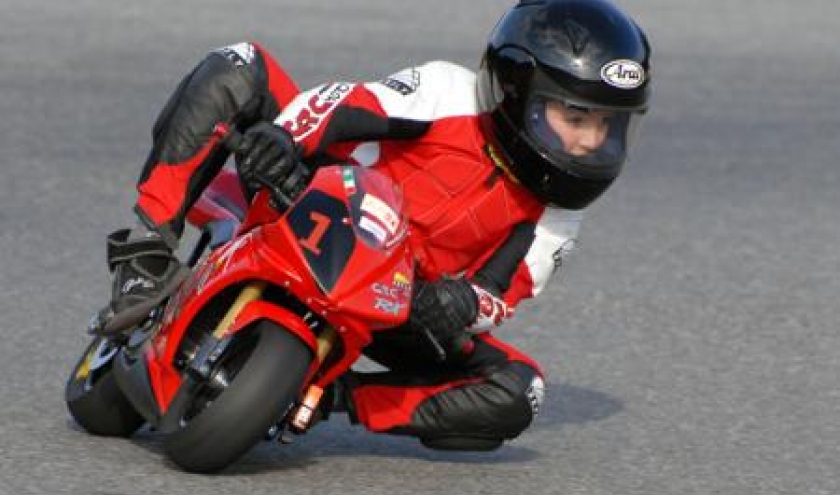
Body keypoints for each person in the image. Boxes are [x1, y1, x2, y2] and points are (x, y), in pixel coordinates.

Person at [98, 0, 651, 451]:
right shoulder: (449, 92)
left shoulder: (559, 216)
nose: (589, 141)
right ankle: (147, 256)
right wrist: (287, 139)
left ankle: (330, 397)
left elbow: (498, 296)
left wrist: (462, 304)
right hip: (307, 199)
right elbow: (344, 101)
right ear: (515, 92)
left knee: (520, 389)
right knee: (239, 63)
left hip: (396, 303)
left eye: (607, 124)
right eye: (574, 117)